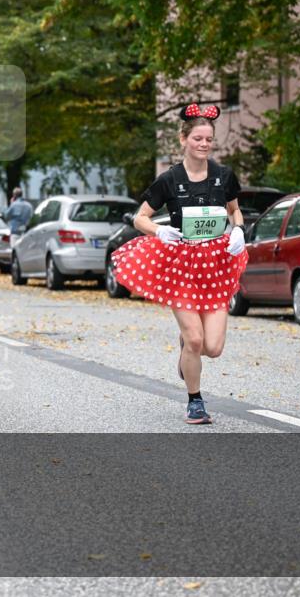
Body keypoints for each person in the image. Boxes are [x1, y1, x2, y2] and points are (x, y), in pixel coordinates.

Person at [111, 103, 247, 425]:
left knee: (211, 348)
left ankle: (187, 348)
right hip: (180, 264)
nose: (203, 144)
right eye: (197, 138)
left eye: (208, 139)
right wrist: (160, 230)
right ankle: (195, 401)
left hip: (216, 265)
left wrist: (238, 229)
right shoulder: (170, 179)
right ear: (184, 139)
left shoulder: (224, 176)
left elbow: (234, 211)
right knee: (197, 338)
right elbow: (139, 217)